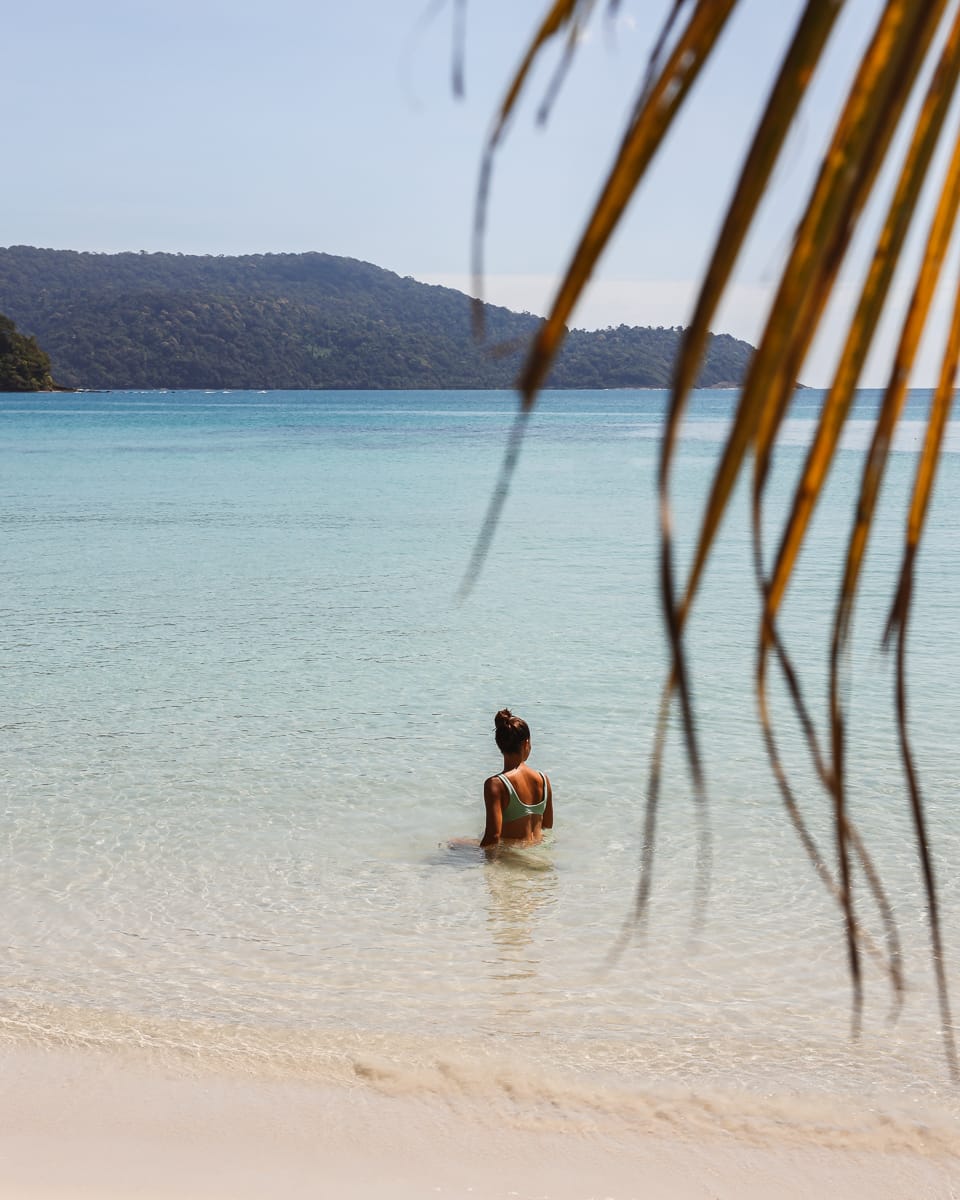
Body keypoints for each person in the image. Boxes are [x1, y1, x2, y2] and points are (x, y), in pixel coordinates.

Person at [480, 709, 553, 849]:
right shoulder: (543, 780)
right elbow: (547, 826)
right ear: (526, 744)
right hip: (538, 857)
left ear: (499, 745)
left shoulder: (495, 784)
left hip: (512, 860)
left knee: (453, 842)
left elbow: (493, 836)